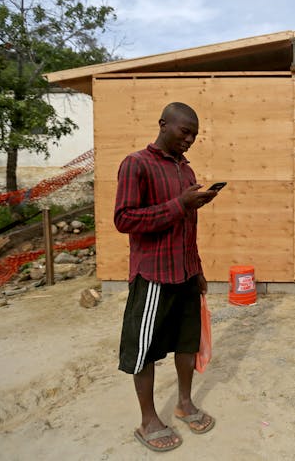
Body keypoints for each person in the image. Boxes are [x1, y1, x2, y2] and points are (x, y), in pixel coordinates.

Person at [114, 102, 219, 452]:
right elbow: (125, 220)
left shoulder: (186, 171)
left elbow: (188, 225)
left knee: (187, 344)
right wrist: (180, 205)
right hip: (153, 275)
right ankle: (148, 420)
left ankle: (184, 403)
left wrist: (199, 268)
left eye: (194, 135)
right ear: (163, 124)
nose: (189, 140)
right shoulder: (136, 164)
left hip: (186, 272)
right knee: (144, 350)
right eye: (184, 131)